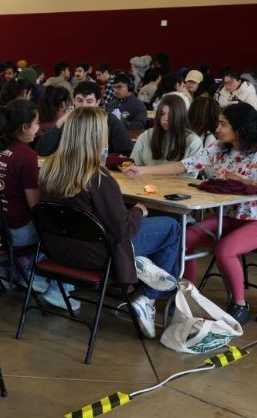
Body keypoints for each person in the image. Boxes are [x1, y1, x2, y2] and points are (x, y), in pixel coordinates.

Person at [125, 104, 257, 324]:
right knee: (184, 240)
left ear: (240, 128)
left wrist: (247, 181)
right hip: (229, 218)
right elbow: (184, 166)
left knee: (225, 250)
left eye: (223, 124)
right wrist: (143, 170)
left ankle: (240, 305)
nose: (217, 128)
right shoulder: (220, 147)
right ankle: (188, 295)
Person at [40, 107, 182, 337]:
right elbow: (123, 230)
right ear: (97, 137)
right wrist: (138, 212)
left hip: (57, 249)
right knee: (172, 226)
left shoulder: (48, 169)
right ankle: (148, 298)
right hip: (98, 256)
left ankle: (139, 266)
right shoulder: (98, 178)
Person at [0, 101, 74, 306]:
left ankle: (15, 267)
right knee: (60, 226)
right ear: (24, 127)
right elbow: (35, 206)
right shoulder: (26, 155)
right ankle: (40, 276)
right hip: (15, 232)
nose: (39, 127)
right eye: (37, 123)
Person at [39, 81, 132, 157]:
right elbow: (42, 150)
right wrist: (60, 122)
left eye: (89, 101)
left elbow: (125, 153)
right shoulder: (68, 122)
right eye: (79, 101)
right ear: (74, 101)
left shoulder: (111, 122)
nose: (84, 105)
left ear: (98, 102)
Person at [130, 94, 203, 166]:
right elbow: (134, 165)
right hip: (144, 178)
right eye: (162, 114)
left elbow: (191, 174)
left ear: (180, 115)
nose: (166, 119)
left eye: (171, 114)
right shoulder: (146, 136)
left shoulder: (193, 141)